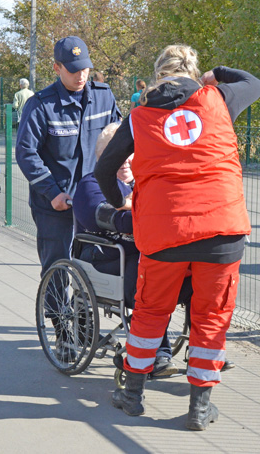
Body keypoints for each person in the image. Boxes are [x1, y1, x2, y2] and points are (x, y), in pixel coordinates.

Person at [95, 45, 260, 430]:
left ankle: (132, 395)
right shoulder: (218, 98)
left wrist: (122, 200)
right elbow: (253, 82)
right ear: (194, 72)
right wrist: (215, 74)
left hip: (164, 233)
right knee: (212, 316)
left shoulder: (138, 117)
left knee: (151, 313)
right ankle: (199, 408)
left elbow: (105, 169)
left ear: (157, 76)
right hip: (222, 230)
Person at [73, 123, 191, 376]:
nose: (125, 161)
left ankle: (200, 348)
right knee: (152, 278)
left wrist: (132, 207)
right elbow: (104, 216)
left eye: (131, 153)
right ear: (102, 158)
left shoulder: (146, 182)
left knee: (193, 274)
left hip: (143, 256)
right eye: (116, 155)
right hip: (106, 258)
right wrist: (148, 216)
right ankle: (158, 354)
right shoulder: (91, 184)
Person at [15, 36, 122, 277]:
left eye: (85, 68)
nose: (81, 75)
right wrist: (53, 193)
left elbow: (118, 138)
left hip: (95, 200)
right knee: (58, 267)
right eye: (73, 70)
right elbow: (25, 152)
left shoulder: (104, 96)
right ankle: (56, 314)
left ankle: (83, 314)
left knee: (95, 267)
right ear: (57, 67)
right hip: (56, 204)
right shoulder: (42, 105)